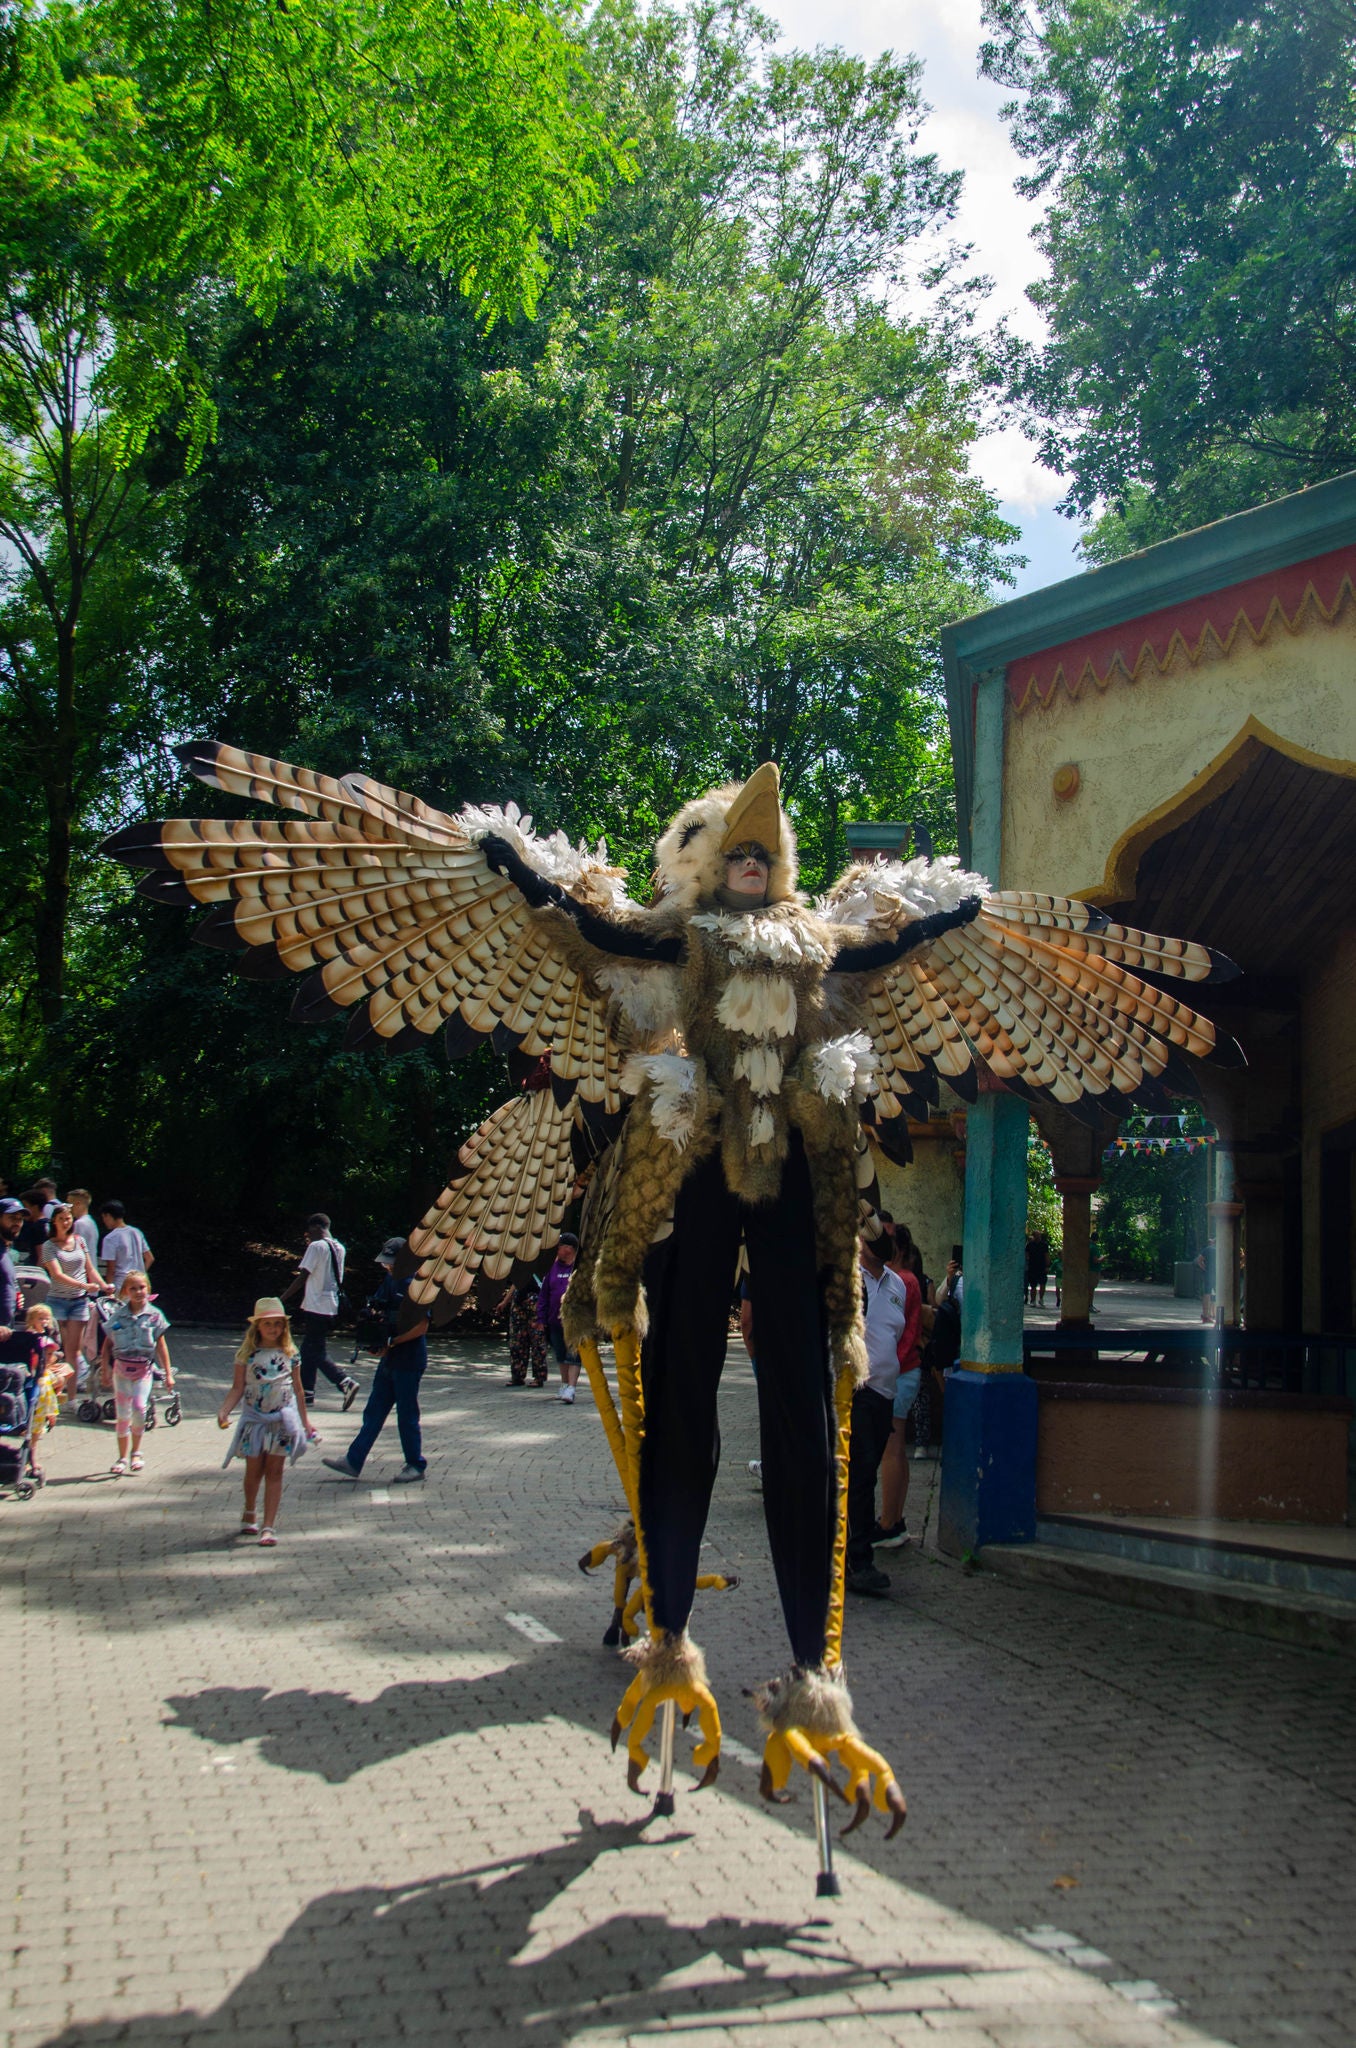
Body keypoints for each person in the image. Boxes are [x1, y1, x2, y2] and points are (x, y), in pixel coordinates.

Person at [323, 1238, 430, 1482]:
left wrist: (392, 1342)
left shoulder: (417, 1284)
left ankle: (415, 1464)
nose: (389, 1267)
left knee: (406, 1414)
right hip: (390, 1359)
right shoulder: (390, 1280)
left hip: (409, 1360)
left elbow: (421, 1327)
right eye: (387, 1263)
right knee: (375, 1410)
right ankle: (354, 1460)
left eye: (392, 1263)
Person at [846, 1234, 909, 1597]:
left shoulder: (896, 1282)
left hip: (884, 1392)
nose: (879, 1240)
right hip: (858, 1390)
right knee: (858, 1477)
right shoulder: (847, 1275)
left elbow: (896, 1333)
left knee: (865, 1473)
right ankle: (858, 1559)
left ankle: (854, 1555)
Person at [217, 1296, 310, 1544]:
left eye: (278, 1324)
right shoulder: (247, 1355)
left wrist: (305, 1423)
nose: (273, 1329)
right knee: (254, 1471)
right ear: (257, 1326)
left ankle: (269, 1526)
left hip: (282, 1421)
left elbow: (299, 1390)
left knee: (275, 1471)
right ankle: (250, 1510)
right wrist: (225, 1410)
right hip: (254, 1421)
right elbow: (237, 1387)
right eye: (268, 1324)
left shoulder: (291, 1353)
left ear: (284, 1327)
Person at [280, 1214, 359, 1414]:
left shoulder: (316, 1247)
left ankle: (344, 1382)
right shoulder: (339, 1247)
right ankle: (307, 1393)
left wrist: (282, 1299)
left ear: (317, 1227)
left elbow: (303, 1276)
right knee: (310, 1349)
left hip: (316, 1304)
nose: (307, 1235)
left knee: (314, 1351)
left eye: (309, 1230)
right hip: (331, 1304)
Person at [875, 1229, 923, 1548]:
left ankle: (889, 1522)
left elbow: (900, 1333)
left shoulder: (899, 1280)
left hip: (899, 1371)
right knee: (898, 1448)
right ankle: (895, 1518)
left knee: (890, 1450)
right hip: (906, 1370)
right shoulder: (910, 1279)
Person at [99, 1270, 173, 1477]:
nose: (138, 1292)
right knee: (122, 1414)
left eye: (142, 1287)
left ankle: (136, 1452)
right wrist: (105, 1368)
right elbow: (107, 1344)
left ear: (148, 1289)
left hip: (143, 1371)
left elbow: (161, 1345)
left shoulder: (155, 1316)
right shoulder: (118, 1316)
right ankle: (122, 1457)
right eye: (133, 1288)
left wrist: (168, 1373)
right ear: (125, 1292)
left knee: (140, 1409)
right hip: (121, 1370)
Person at [39, 1204, 106, 1380]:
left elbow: (90, 1269)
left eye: (68, 1218)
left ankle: (72, 1396)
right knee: (56, 1347)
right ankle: (53, 1389)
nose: (65, 1222)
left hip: (79, 1302)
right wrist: (85, 1286)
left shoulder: (79, 1241)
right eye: (61, 1219)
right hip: (57, 1300)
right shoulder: (49, 1246)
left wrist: (104, 1286)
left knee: (74, 1351)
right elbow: (57, 1274)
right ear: (54, 1221)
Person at [538, 1233, 580, 1403]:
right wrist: (541, 1318)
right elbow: (544, 1295)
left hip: (576, 1322)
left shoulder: (580, 1267)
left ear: (569, 1249)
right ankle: (564, 1385)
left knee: (574, 1356)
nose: (557, 1250)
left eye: (560, 1246)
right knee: (561, 1355)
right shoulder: (552, 1268)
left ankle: (571, 1388)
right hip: (555, 1321)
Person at [496, 1276, 548, 1387]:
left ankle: (539, 1377)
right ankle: (517, 1376)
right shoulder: (520, 1263)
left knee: (537, 1340)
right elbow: (516, 1281)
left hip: (536, 1298)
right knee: (517, 1340)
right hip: (518, 1300)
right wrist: (505, 1301)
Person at [98, 1202, 153, 1291]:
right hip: (140, 1284)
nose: (104, 1221)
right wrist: (141, 1274)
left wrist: (109, 1290)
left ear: (108, 1215)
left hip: (122, 1285)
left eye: (104, 1217)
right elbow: (149, 1258)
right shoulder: (137, 1232)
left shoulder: (110, 1238)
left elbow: (111, 1269)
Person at [0, 1197, 25, 1332]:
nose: (17, 1222)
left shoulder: (5, 1251)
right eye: (12, 1217)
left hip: (7, 1329)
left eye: (20, 1219)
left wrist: (14, 1295)